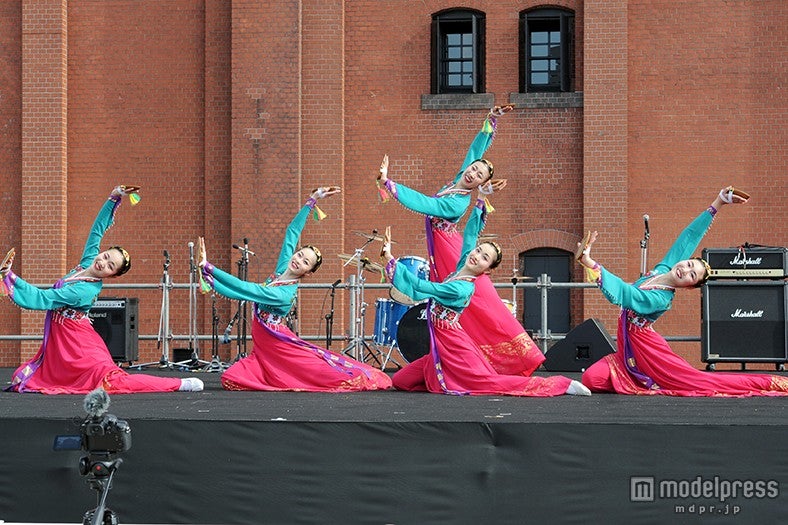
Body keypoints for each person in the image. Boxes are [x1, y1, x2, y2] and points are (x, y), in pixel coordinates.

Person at [377, 106, 545, 377]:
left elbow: (427, 204)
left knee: (472, 299)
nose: (472, 173)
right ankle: (443, 359)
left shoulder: (457, 204)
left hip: (448, 249)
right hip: (441, 247)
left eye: (478, 176)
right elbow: (475, 153)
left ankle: (510, 357)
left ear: (480, 184)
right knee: (455, 301)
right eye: (473, 170)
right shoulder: (460, 180)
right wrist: (491, 121)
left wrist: (390, 184)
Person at [577, 187, 788, 396]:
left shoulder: (661, 299)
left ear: (688, 286)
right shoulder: (661, 270)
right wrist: (718, 203)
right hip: (626, 352)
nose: (685, 270)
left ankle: (769, 382)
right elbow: (688, 238)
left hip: (648, 354)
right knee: (590, 378)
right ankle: (632, 375)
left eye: (691, 275)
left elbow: (629, 295)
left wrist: (592, 263)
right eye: (688, 264)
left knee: (700, 381)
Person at [382, 189, 589, 396]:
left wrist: (391, 260)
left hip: (456, 350)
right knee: (401, 381)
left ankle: (561, 384)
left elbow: (425, 288)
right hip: (440, 352)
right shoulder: (461, 266)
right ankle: (444, 378)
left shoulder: (461, 288)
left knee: (491, 384)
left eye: (484, 258)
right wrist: (480, 199)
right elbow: (471, 234)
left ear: (486, 270)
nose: (477, 255)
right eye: (479, 251)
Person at [2, 186, 204, 394]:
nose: (103, 263)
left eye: (110, 266)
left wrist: (11, 277)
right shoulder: (87, 262)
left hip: (79, 346)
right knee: (21, 376)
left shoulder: (85, 290)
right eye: (106, 256)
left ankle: (180, 384)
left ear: (112, 275)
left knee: (114, 383)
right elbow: (97, 231)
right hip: (65, 343)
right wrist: (114, 198)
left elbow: (42, 298)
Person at [199, 186, 392, 392]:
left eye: (306, 262)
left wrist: (210, 268)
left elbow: (247, 289)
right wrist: (312, 201)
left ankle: (359, 375)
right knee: (231, 379)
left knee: (327, 375)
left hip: (281, 349)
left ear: (308, 272)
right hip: (263, 352)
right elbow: (292, 233)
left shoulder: (284, 294)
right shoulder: (283, 268)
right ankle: (270, 374)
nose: (299, 260)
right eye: (300, 254)